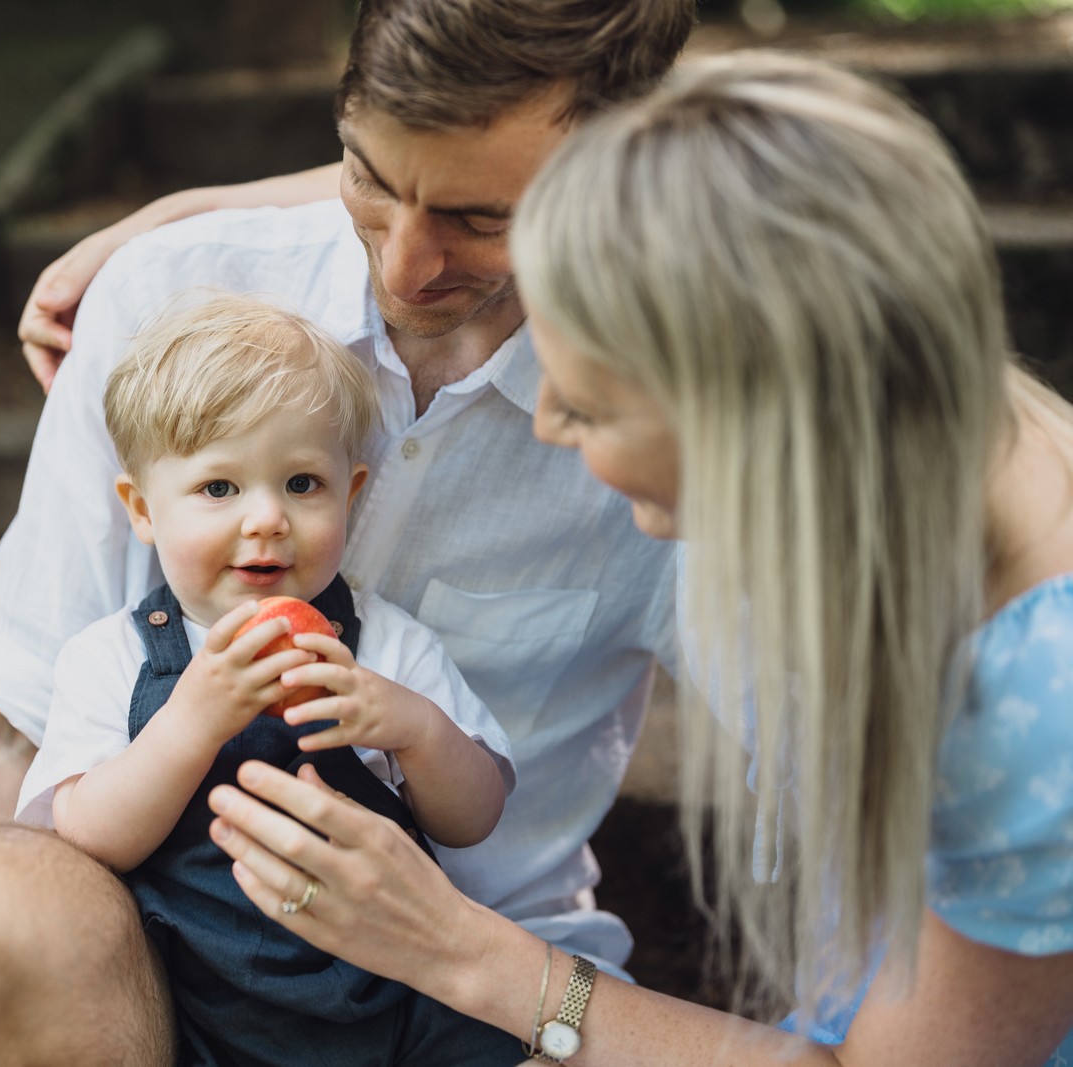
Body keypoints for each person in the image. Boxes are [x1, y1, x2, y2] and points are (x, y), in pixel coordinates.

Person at [0, 1, 692, 1062]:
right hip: (155, 947)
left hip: (474, 969)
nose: (407, 267)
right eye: (367, 174)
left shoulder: (688, 412)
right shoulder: (175, 292)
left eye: (479, 216)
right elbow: (22, 687)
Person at [199, 50, 1073, 1065]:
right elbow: (746, 168)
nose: (551, 426)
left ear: (751, 406)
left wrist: (450, 945)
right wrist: (185, 216)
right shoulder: (926, 393)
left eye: (590, 401)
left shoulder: (1033, 709)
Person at [17, 291, 521, 1064]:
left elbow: (474, 815)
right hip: (205, 1009)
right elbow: (85, 836)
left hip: (400, 990)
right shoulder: (109, 657)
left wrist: (414, 729)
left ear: (350, 493)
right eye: (219, 488)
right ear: (143, 509)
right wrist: (190, 720)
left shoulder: (384, 643)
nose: (266, 519)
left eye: (301, 484)